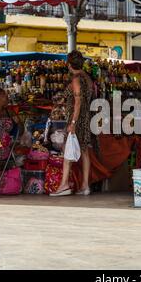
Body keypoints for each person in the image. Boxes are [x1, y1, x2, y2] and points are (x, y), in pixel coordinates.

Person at [50, 50, 93, 197]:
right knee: (85, 151)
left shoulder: (75, 79)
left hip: (77, 119)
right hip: (86, 117)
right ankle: (85, 186)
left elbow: (78, 101)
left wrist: (73, 122)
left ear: (69, 64)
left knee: (67, 150)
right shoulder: (87, 78)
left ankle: (64, 185)